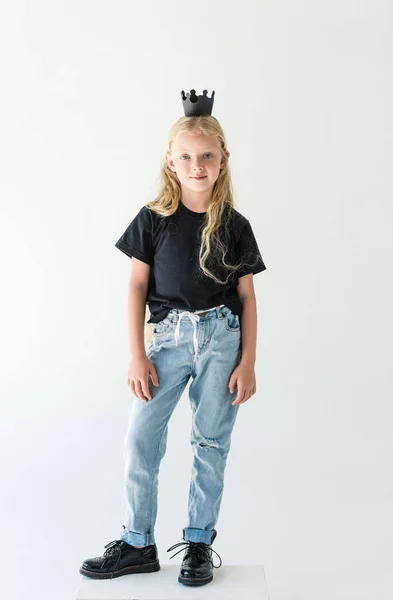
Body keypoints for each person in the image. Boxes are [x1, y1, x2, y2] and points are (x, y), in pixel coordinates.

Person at [79, 90, 267, 587]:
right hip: (165, 340)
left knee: (210, 441)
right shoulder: (153, 218)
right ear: (170, 161)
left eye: (207, 156)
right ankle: (138, 542)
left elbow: (247, 298)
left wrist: (247, 360)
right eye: (186, 156)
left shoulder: (235, 227)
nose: (196, 165)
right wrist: (136, 355)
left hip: (222, 340)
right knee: (142, 439)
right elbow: (137, 287)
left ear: (223, 161)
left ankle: (199, 544)